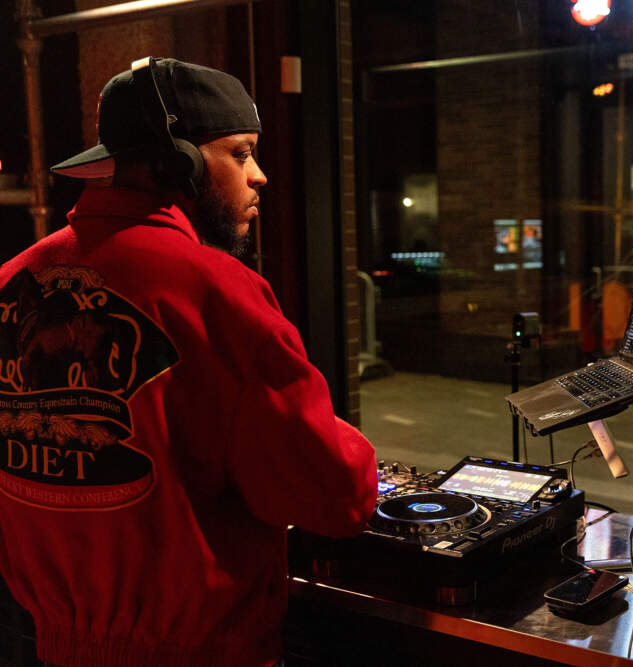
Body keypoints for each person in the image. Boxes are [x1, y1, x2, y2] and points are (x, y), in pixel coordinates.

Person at [0, 57, 377, 666]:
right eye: (241, 152)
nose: (259, 175)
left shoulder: (10, 281)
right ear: (178, 166)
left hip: (51, 646)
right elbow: (334, 496)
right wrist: (350, 446)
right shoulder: (215, 289)